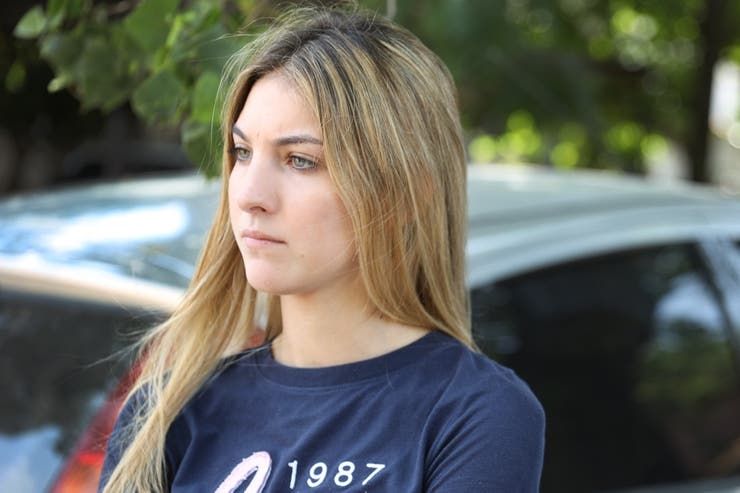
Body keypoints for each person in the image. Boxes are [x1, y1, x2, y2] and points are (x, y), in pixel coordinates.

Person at [99, 5, 545, 492]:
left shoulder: (475, 413)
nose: (249, 195)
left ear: (406, 195)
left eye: (300, 160)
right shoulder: (167, 411)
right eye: (242, 152)